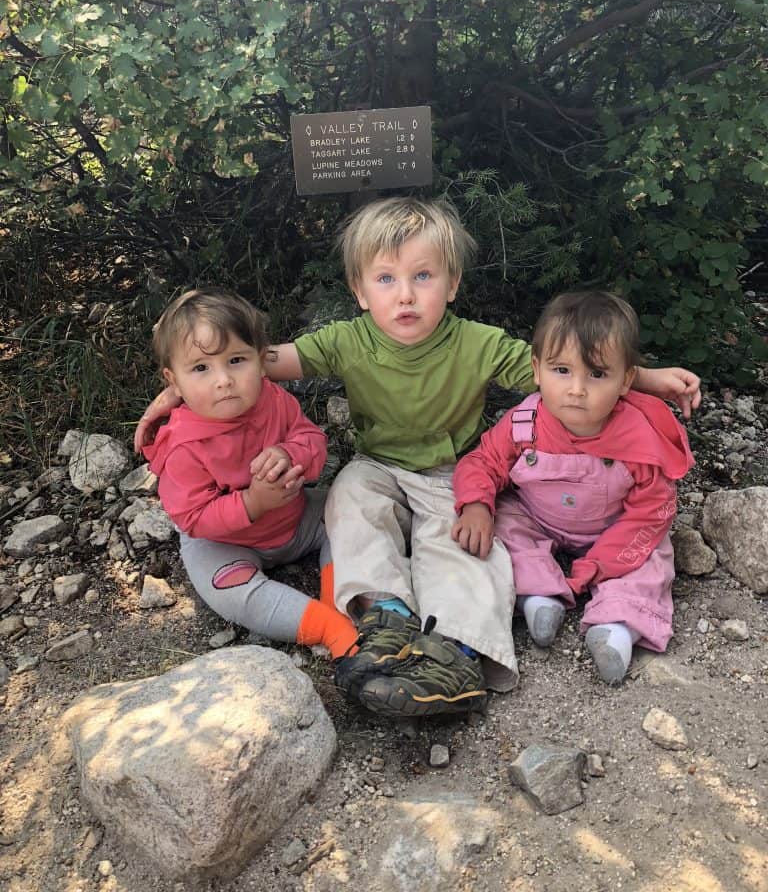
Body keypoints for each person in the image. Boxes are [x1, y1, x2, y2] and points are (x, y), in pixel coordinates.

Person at [135, 198, 701, 716]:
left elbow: (558, 364)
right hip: (378, 466)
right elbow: (254, 360)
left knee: (465, 539)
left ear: (451, 283)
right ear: (360, 290)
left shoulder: (477, 344)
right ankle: (383, 617)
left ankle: (457, 650)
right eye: (386, 279)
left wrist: (644, 378)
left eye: (422, 277)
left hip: (452, 471)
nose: (405, 295)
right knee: (348, 497)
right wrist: (185, 387)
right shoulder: (347, 340)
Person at [452, 290, 695, 686]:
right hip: (538, 518)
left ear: (626, 380)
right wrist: (476, 504)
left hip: (612, 527)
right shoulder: (525, 423)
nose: (577, 388)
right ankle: (539, 596)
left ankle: (616, 627)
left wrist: (600, 564)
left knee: (653, 557)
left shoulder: (639, 438)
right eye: (561, 371)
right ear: (537, 369)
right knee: (503, 524)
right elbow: (483, 461)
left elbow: (653, 509)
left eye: (596, 374)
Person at [141, 289, 357, 659]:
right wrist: (252, 503)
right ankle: (325, 626)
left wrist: (290, 453)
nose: (223, 380)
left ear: (260, 361)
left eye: (236, 360)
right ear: (173, 382)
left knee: (354, 513)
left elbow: (312, 439)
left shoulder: (273, 399)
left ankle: (335, 597)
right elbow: (193, 516)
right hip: (225, 544)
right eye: (201, 368)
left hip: (297, 517)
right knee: (227, 588)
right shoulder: (182, 443)